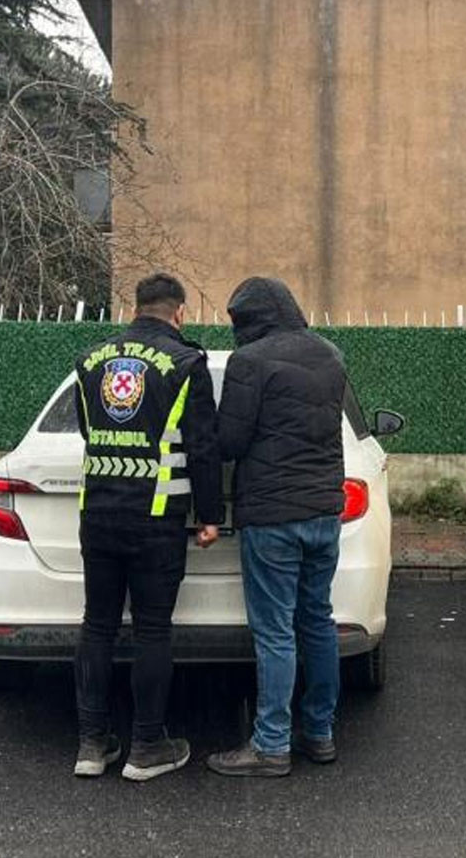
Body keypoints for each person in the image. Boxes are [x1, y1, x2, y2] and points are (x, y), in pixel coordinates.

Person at [71, 273, 223, 781]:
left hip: (97, 513)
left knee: (98, 625)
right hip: (155, 517)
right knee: (152, 629)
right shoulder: (185, 363)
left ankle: (91, 745)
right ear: (178, 312)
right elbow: (202, 446)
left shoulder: (90, 361)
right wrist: (209, 516)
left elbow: (92, 432)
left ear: (134, 308)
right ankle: (146, 746)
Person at [208, 277, 347, 778]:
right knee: (318, 621)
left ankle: (270, 745)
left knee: (274, 632)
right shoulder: (330, 355)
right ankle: (321, 732)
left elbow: (230, 441)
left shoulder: (251, 362)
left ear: (250, 319)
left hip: (272, 516)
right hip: (324, 512)